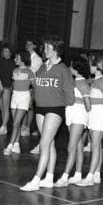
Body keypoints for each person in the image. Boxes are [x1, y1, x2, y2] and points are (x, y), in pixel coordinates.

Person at [20, 36, 74, 191]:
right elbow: (37, 86)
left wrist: (59, 103)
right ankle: (49, 178)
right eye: (44, 47)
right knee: (49, 144)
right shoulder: (43, 67)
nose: (45, 50)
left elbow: (70, 96)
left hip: (55, 109)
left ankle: (36, 180)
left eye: (48, 47)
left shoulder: (63, 70)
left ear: (56, 50)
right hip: (40, 108)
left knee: (43, 143)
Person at [77, 54, 103, 187]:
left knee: (95, 145)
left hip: (99, 114)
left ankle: (90, 176)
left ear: (96, 66)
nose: (89, 67)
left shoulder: (101, 81)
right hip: (94, 114)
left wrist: (102, 106)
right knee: (96, 145)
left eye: (90, 65)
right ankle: (97, 174)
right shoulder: (95, 80)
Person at [54, 57, 92, 187]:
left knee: (71, 146)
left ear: (76, 68)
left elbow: (88, 105)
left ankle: (64, 177)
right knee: (78, 145)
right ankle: (78, 174)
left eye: (71, 66)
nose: (69, 68)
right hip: (71, 114)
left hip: (79, 115)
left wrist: (74, 100)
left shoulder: (82, 83)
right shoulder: (74, 81)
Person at [4, 50, 35, 155]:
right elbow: (13, 84)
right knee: (16, 123)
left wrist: (31, 100)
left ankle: (10, 145)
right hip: (15, 96)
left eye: (17, 58)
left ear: (23, 59)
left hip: (24, 97)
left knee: (16, 123)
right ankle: (17, 145)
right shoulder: (15, 70)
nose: (14, 59)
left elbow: (34, 87)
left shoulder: (29, 72)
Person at [21, 39, 43, 138]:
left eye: (30, 44)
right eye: (26, 44)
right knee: (23, 105)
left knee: (29, 106)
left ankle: (27, 127)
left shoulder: (37, 59)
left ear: (34, 46)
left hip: (31, 84)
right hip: (23, 83)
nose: (27, 45)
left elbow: (33, 72)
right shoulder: (24, 56)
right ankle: (23, 125)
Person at [0, 44, 16, 136]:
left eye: (7, 51)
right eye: (4, 51)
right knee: (1, 108)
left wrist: (11, 87)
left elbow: (13, 77)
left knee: (6, 108)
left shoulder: (12, 63)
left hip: (7, 87)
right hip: (0, 86)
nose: (5, 53)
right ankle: (4, 127)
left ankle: (3, 126)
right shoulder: (0, 62)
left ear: (10, 53)